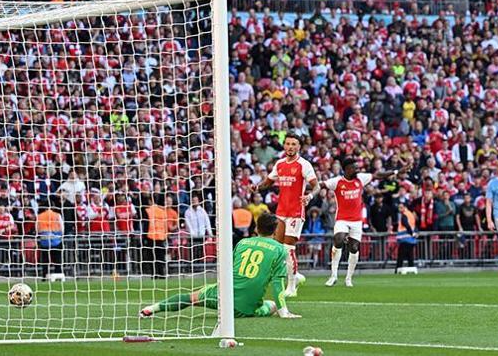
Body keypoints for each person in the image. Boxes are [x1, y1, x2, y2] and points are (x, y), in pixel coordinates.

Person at [140, 213, 300, 319]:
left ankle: (151, 309)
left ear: (256, 228)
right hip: (246, 307)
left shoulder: (243, 242)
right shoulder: (279, 249)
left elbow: (229, 268)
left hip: (223, 295)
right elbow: (278, 284)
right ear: (275, 230)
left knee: (191, 298)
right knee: (271, 305)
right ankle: (265, 308)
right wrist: (283, 312)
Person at [254, 133, 319, 297]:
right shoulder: (280, 164)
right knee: (278, 249)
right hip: (281, 211)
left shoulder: (304, 165)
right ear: (284, 146)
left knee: (288, 248)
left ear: (299, 147)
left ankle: (291, 286)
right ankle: (294, 276)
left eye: (294, 144)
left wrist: (309, 196)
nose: (290, 147)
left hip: (296, 212)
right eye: (288, 143)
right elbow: (268, 182)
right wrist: (257, 187)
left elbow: (316, 186)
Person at [322, 158, 405, 287]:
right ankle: (333, 275)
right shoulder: (337, 181)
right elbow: (321, 184)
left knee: (354, 248)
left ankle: (348, 278)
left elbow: (378, 175)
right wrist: (303, 185)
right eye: (355, 167)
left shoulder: (361, 178)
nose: (357, 169)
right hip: (342, 219)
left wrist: (396, 171)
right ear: (347, 169)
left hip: (356, 220)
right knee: (339, 239)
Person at [37, 206, 64, 279]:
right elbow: (62, 228)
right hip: (56, 241)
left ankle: (44, 276)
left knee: (45, 260)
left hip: (44, 241)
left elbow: (37, 229)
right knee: (57, 260)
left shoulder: (40, 216)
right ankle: (58, 275)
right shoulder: (57, 215)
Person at [395, 203, 417, 273]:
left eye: (401, 207)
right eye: (399, 207)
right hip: (411, 239)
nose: (399, 209)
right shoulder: (410, 214)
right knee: (410, 256)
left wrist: (411, 233)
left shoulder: (404, 215)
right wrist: (414, 233)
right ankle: (411, 269)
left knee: (400, 257)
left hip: (404, 239)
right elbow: (413, 225)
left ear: (405, 207)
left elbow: (406, 225)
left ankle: (397, 270)